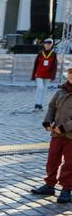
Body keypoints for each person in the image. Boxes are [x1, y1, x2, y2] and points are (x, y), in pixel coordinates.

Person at [31, 67, 72, 203]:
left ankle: (66, 189)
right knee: (52, 159)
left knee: (69, 163)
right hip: (56, 134)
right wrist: (48, 122)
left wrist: (64, 128)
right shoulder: (61, 91)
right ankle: (49, 184)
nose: (71, 76)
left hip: (70, 136)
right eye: (70, 73)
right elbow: (52, 107)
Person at [32, 38, 58, 110]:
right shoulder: (40, 53)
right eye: (46, 44)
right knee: (40, 88)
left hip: (47, 75)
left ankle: (40, 104)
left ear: (51, 45)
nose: (47, 45)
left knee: (44, 90)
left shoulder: (53, 54)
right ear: (44, 44)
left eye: (49, 44)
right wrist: (33, 75)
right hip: (39, 74)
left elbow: (54, 65)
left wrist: (53, 75)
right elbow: (36, 64)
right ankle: (36, 103)